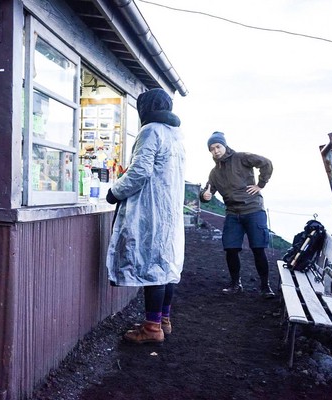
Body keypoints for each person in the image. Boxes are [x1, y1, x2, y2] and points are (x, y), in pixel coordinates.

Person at [105, 88, 186, 344]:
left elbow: (140, 172)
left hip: (150, 208)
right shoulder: (176, 135)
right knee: (166, 264)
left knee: (154, 267)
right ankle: (163, 320)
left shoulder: (151, 131)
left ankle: (151, 329)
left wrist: (114, 192)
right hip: (169, 208)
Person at [199, 131, 275, 299]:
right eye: (212, 149)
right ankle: (235, 284)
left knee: (258, 249)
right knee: (231, 249)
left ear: (224, 145)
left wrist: (260, 184)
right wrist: (205, 195)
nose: (216, 151)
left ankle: (265, 286)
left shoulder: (242, 157)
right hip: (233, 213)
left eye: (218, 146)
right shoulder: (214, 173)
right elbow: (208, 190)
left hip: (254, 210)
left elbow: (266, 163)